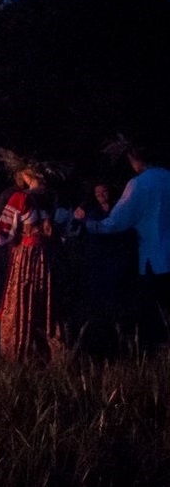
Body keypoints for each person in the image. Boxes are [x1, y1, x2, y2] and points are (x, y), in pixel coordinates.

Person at [0, 151, 73, 363]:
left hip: (26, 257)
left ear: (27, 174)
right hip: (45, 259)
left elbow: (0, 234)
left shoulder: (21, 198)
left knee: (22, 302)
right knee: (43, 302)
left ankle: (21, 354)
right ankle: (48, 352)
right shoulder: (50, 198)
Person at [76, 141, 170, 350]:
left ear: (134, 158)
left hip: (153, 260)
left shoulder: (139, 184)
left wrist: (87, 225)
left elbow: (115, 222)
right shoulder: (168, 177)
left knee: (155, 314)